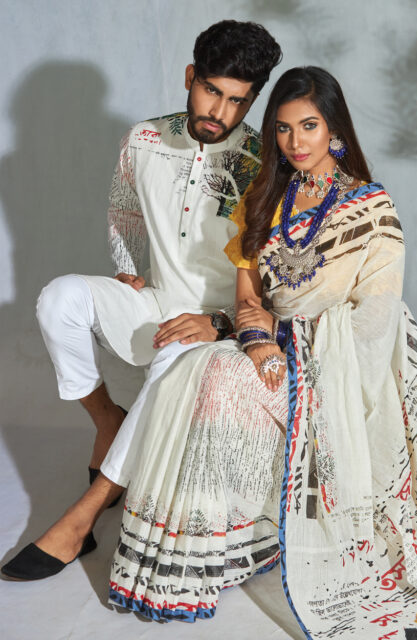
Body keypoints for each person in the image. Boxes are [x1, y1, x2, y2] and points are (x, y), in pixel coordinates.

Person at [5, 65, 417, 639]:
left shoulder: (371, 208)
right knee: (200, 368)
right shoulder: (265, 197)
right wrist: (252, 336)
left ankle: (165, 534)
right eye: (282, 128)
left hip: (338, 371)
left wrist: (278, 336)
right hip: (262, 344)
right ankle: (193, 558)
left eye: (309, 126)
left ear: (335, 129)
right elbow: (247, 296)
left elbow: (374, 322)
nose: (295, 142)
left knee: (211, 372)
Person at [32, 22, 281, 488]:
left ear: (251, 102)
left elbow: (274, 278)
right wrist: (127, 271)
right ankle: (108, 421)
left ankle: (99, 497)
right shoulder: (143, 140)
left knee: (174, 359)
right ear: (190, 76)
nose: (219, 111)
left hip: (223, 325)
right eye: (211, 91)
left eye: (237, 101)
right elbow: (124, 210)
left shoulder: (263, 162)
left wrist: (221, 321)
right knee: (59, 299)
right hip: (157, 301)